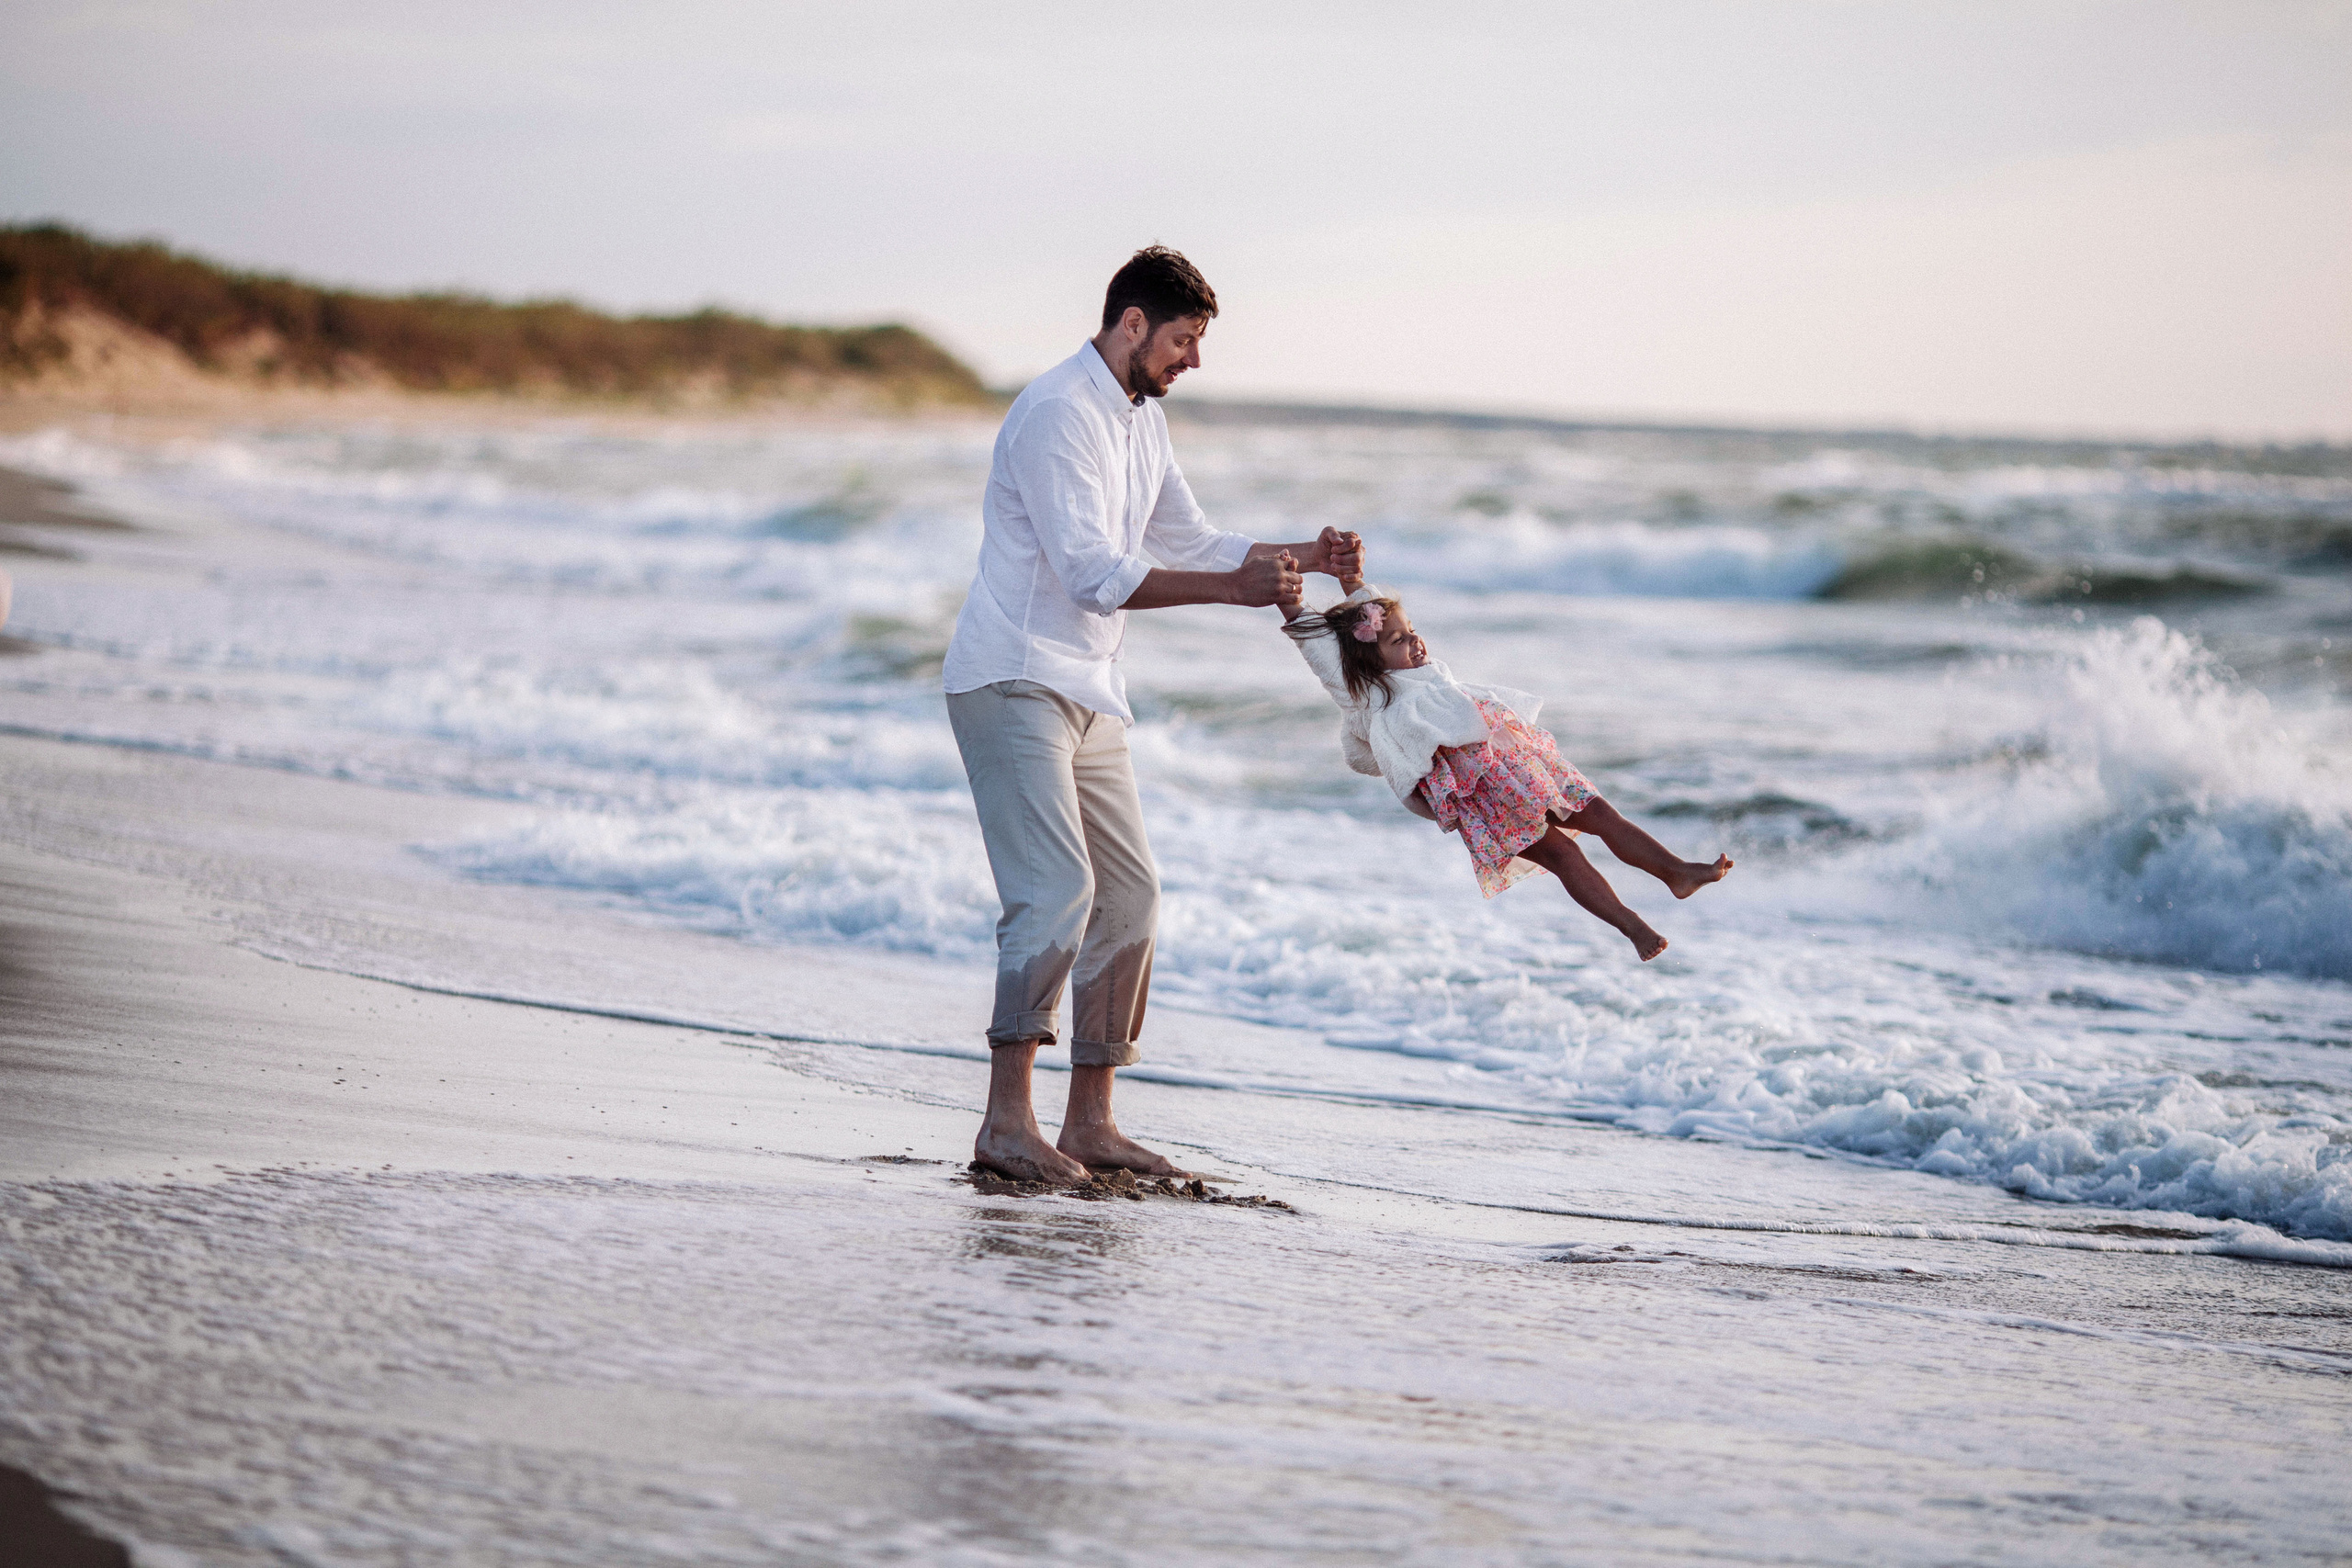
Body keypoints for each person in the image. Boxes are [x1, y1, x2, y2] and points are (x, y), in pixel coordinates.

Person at [943, 245, 1363, 1185]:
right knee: (1056, 893)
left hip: (1090, 690)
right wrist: (1236, 591)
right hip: (1012, 677)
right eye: (1183, 339)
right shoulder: (1057, 412)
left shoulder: (1141, 421)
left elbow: (1192, 539)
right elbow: (1094, 574)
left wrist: (1306, 554)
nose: (1193, 360)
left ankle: (1090, 1123)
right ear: (1132, 324)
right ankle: (1006, 1124)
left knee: (1129, 897)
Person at [1278, 558, 1730, 961]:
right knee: (1564, 855)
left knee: (1602, 814)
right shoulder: (1372, 693)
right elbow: (1321, 652)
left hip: (1517, 763)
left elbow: (1368, 612)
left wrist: (1353, 578)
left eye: (1411, 628)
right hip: (1483, 795)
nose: (1414, 639)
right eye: (1398, 639)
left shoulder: (1425, 671)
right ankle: (1633, 927)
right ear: (1366, 662)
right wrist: (1288, 600)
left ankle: (1676, 872)